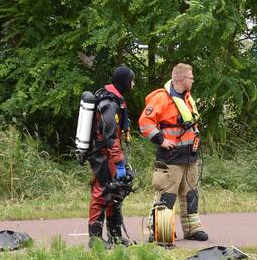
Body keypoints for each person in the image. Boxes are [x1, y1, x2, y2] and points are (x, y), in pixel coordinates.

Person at [138, 63, 208, 242]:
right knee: (167, 194)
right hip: (171, 158)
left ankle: (192, 228)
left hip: (189, 156)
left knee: (191, 193)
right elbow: (145, 123)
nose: (193, 80)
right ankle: (160, 231)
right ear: (181, 79)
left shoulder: (187, 98)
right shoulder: (162, 98)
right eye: (191, 77)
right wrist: (161, 140)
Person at [87, 66, 135, 247]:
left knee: (116, 192)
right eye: (132, 80)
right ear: (124, 81)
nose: (133, 84)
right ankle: (95, 240)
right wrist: (119, 162)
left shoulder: (115, 99)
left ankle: (115, 236)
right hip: (103, 155)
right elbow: (110, 135)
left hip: (109, 155)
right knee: (101, 193)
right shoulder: (109, 102)